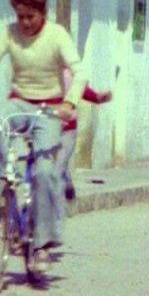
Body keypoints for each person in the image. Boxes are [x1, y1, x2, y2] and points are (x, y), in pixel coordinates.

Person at [0, 0, 87, 272]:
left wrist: (70, 103)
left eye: (30, 16)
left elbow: (80, 72)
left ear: (42, 13)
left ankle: (44, 244)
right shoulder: (9, 34)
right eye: (19, 16)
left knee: (45, 173)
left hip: (49, 109)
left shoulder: (57, 35)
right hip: (19, 103)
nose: (24, 22)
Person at [58, 70, 112, 200]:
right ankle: (67, 183)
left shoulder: (67, 74)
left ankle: (54, 208)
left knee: (57, 166)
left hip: (67, 129)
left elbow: (81, 90)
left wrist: (98, 97)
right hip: (44, 127)